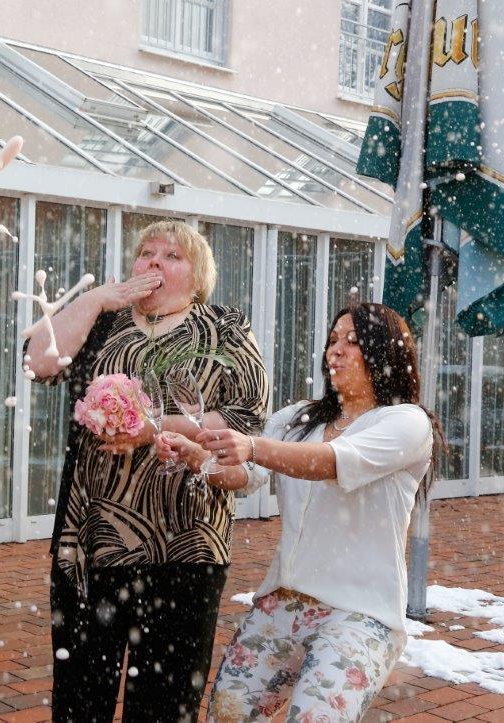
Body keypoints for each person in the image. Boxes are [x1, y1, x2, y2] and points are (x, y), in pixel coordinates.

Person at [25, 220, 268, 721]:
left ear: (198, 278)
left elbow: (244, 417)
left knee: (165, 700)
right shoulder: (106, 322)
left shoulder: (224, 328)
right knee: (80, 697)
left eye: (172, 256)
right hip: (92, 540)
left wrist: (152, 423)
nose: (154, 262)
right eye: (146, 253)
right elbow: (40, 362)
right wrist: (95, 300)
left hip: (187, 540)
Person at [160, 303, 438, 722]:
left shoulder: (406, 423)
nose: (336, 351)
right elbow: (243, 475)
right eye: (332, 340)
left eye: (353, 341)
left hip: (362, 614)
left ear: (385, 353)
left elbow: (329, 462)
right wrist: (198, 456)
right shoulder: (295, 419)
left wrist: (253, 445)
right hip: (282, 603)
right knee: (228, 715)